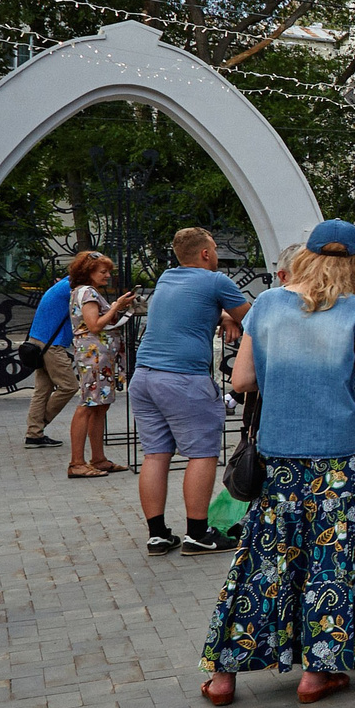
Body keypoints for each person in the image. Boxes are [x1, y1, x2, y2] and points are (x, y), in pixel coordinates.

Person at [201, 220, 355, 706]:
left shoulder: (266, 305)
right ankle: (317, 673)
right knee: (331, 561)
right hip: (343, 462)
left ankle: (224, 676)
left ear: (305, 257)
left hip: (280, 459)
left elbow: (242, 380)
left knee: (264, 562)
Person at [130, 227, 248, 557]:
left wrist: (222, 315)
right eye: (215, 248)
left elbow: (190, 309)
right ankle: (198, 534)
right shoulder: (216, 281)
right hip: (184, 379)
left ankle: (157, 536)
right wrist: (232, 316)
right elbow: (254, 320)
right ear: (206, 253)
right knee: (202, 454)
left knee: (155, 455)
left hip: (144, 377)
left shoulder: (167, 278)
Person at [66, 251, 134, 479]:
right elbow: (94, 325)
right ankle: (77, 462)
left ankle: (98, 458)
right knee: (88, 404)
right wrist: (116, 307)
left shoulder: (86, 291)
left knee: (99, 406)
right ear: (89, 272)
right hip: (94, 356)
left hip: (99, 357)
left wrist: (116, 308)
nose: (107, 276)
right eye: (103, 272)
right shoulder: (87, 292)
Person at [19, 268, 78, 450]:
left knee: (42, 390)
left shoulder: (62, 285)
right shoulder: (72, 288)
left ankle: (34, 434)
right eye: (101, 271)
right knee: (69, 386)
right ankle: (39, 423)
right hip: (52, 345)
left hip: (40, 342)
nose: (106, 276)